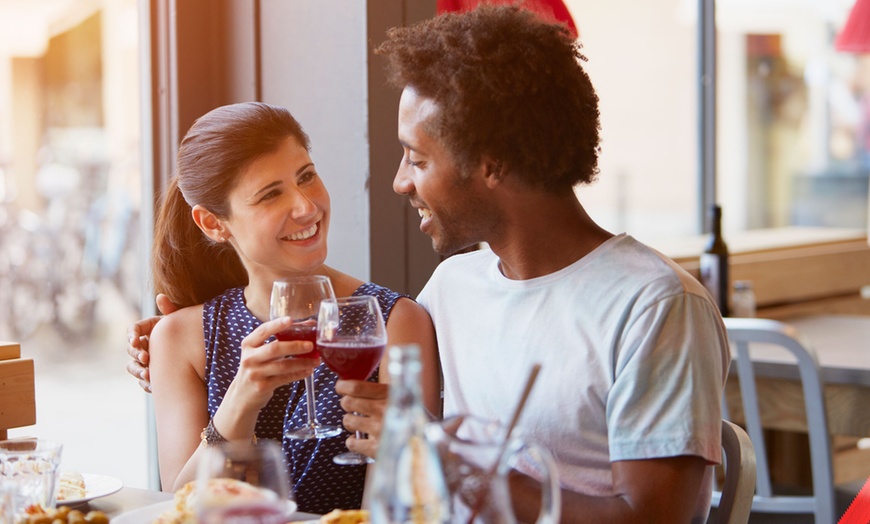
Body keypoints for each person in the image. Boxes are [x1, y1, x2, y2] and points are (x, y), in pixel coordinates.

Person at [130, 6, 730, 523]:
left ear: (490, 164)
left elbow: (653, 518)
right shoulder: (455, 288)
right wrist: (170, 343)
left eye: (416, 159)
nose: (397, 182)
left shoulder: (654, 305)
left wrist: (441, 456)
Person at [142, 101, 439, 515]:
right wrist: (243, 397)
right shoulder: (178, 337)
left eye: (307, 177)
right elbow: (187, 509)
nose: (306, 207)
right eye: (270, 195)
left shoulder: (395, 321)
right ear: (213, 223)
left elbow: (393, 511)